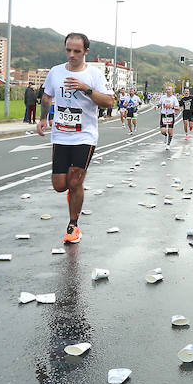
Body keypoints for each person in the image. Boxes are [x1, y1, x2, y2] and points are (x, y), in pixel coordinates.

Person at [37, 32, 114, 245]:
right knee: (60, 185)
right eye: (68, 50)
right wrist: (43, 118)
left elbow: (109, 102)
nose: (71, 55)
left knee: (76, 180)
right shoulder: (55, 72)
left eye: (76, 51)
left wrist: (85, 89)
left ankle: (73, 225)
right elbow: (46, 96)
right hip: (61, 134)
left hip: (84, 136)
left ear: (86, 52)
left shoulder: (94, 75)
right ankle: (73, 191)